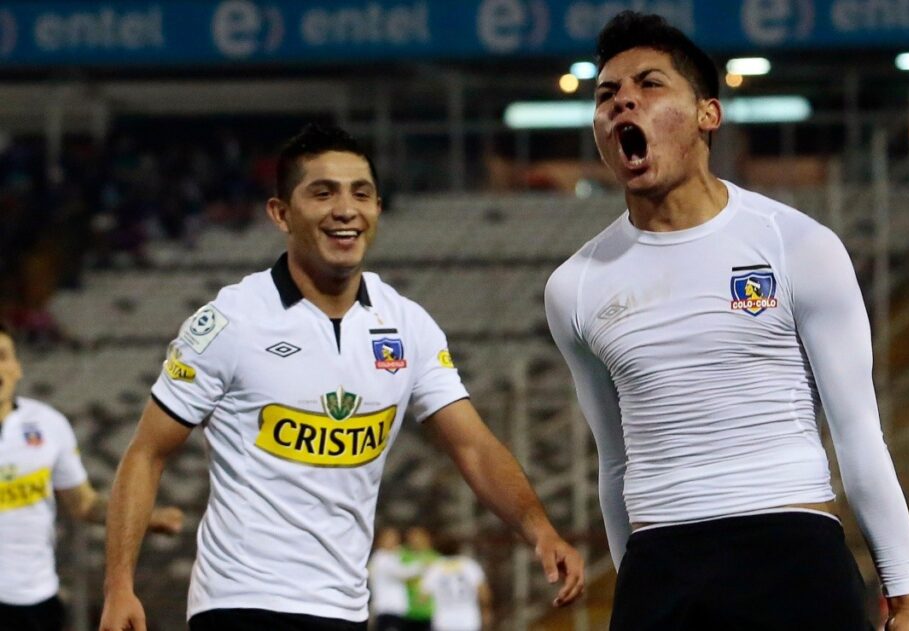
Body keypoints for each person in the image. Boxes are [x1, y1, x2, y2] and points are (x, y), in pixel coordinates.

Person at [99, 123, 584, 631]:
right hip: (240, 601)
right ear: (280, 213)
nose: (346, 208)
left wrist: (540, 530)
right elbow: (146, 452)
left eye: (362, 193)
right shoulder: (230, 321)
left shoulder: (407, 324)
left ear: (377, 210)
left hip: (344, 608)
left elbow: (474, 447)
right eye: (322, 192)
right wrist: (119, 586)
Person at [544, 11, 909, 631]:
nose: (622, 103)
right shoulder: (575, 287)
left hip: (791, 553)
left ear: (707, 114)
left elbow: (858, 434)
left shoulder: (796, 244)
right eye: (607, 95)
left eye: (649, 85)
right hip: (660, 564)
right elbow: (614, 464)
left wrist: (903, 597)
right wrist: (634, 578)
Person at [0, 323, 182, 631]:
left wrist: (145, 517)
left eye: (2, 356)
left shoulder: (48, 424)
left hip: (34, 597)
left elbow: (83, 504)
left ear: (18, 367)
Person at [419, 542, 491, 631]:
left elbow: (423, 598)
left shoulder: (434, 568)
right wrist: (486, 610)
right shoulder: (470, 565)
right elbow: (483, 591)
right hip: (468, 618)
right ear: (459, 549)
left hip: (443, 619)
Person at [368, 527, 417, 631]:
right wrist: (422, 565)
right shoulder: (381, 558)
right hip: (387, 608)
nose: (393, 541)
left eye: (395, 538)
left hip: (394, 610)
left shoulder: (389, 557)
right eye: (389, 538)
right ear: (380, 540)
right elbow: (402, 573)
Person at [400, 526, 438, 631]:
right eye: (412, 537)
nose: (415, 540)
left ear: (426, 538)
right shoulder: (402, 556)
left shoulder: (435, 558)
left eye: (418, 537)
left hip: (429, 611)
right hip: (406, 611)